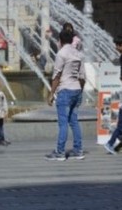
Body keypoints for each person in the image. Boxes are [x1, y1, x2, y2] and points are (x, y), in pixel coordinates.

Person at [45, 30, 86, 161]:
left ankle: (60, 152)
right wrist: (80, 91)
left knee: (63, 123)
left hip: (65, 90)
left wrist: (51, 94)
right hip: (76, 89)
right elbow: (82, 76)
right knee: (74, 122)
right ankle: (78, 151)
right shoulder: (78, 53)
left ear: (60, 41)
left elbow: (56, 76)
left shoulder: (61, 54)